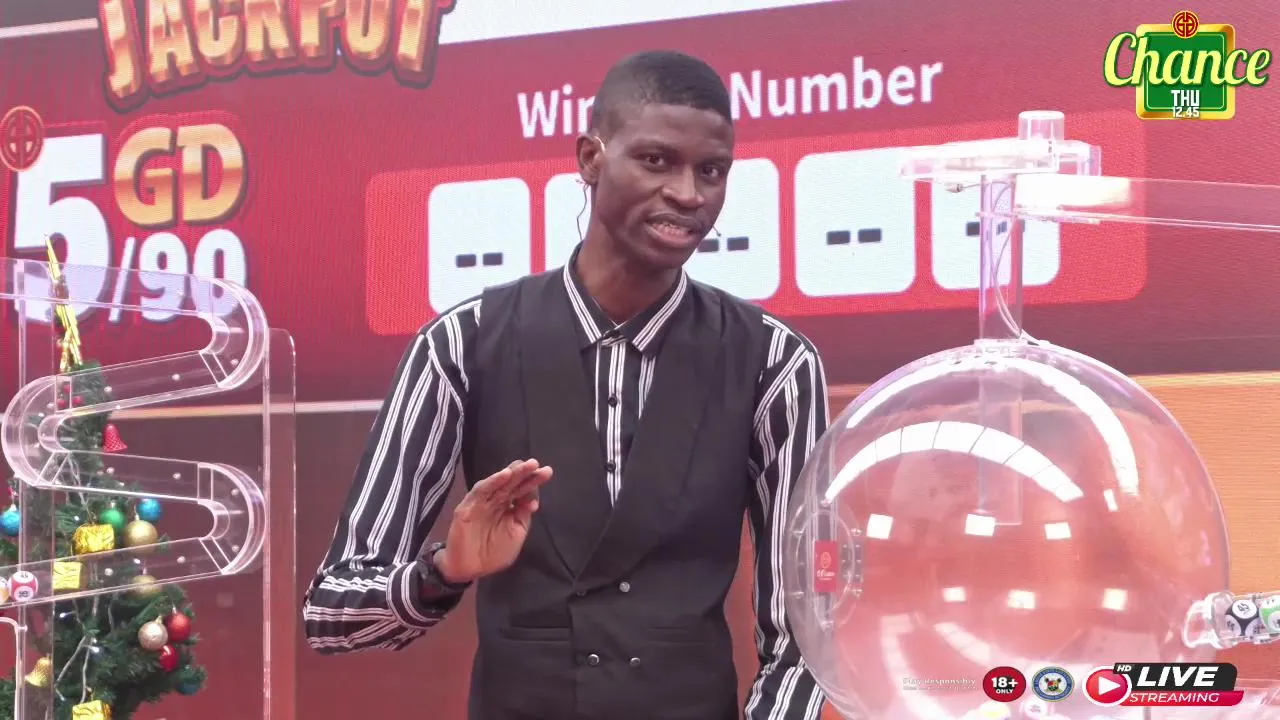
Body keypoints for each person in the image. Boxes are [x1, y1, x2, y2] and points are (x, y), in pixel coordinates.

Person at [303, 49, 829, 720]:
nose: (689, 194)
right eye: (656, 160)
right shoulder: (463, 344)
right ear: (590, 158)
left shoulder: (774, 363)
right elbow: (333, 613)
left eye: (712, 171)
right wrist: (442, 572)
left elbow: (807, 634)